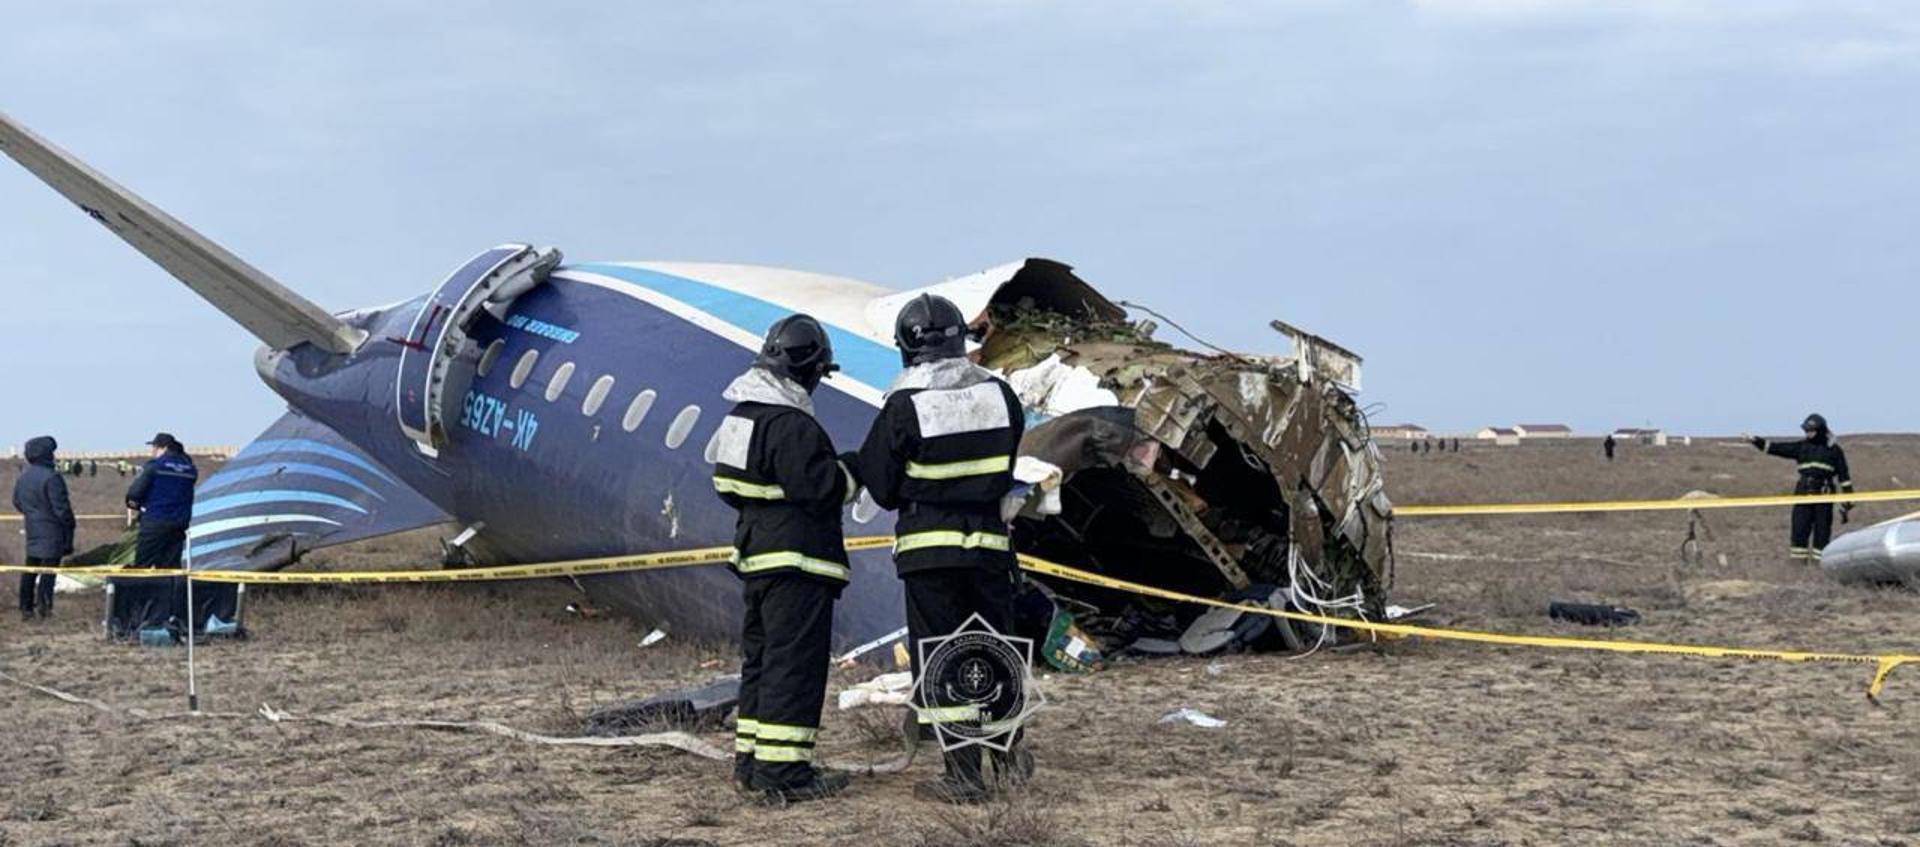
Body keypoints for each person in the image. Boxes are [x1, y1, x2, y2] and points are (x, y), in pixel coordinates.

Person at [849, 294, 1031, 804]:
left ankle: (965, 776)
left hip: (931, 554)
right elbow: (1008, 463)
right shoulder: (1000, 395)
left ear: (907, 347)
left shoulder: (905, 405)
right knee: (996, 650)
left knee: (945, 659)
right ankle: (1010, 755)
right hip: (990, 549)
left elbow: (881, 485)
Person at [712, 315, 854, 803]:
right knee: (794, 665)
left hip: (756, 558)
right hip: (798, 563)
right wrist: (853, 470)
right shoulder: (792, 424)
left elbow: (726, 486)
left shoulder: (741, 417)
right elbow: (821, 489)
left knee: (763, 662)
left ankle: (752, 763)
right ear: (811, 369)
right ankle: (784, 774)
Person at [1744, 414, 1853, 564]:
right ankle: (1798, 565)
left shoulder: (1834, 450)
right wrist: (1756, 441)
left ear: (1820, 430)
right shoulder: (1801, 447)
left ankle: (1819, 566)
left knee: (1822, 532)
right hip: (1802, 494)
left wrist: (1848, 499)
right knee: (1799, 529)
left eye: (1811, 430)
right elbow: (1776, 448)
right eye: (1806, 430)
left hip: (1824, 495)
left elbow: (1844, 476)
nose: (1808, 433)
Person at [11, 436, 75, 621]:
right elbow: (61, 508)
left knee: (30, 570)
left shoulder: (23, 476)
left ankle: (25, 608)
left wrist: (33, 514)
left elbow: (17, 501)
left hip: (32, 529)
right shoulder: (52, 477)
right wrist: (70, 525)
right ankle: (44, 609)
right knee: (48, 573)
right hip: (53, 531)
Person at [126, 433, 198, 567]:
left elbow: (134, 493)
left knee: (143, 566)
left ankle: (141, 588)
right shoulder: (190, 469)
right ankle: (169, 588)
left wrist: (136, 505)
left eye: (155, 447)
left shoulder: (155, 466)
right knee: (170, 567)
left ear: (164, 448)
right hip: (179, 523)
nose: (153, 451)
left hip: (154, 521)